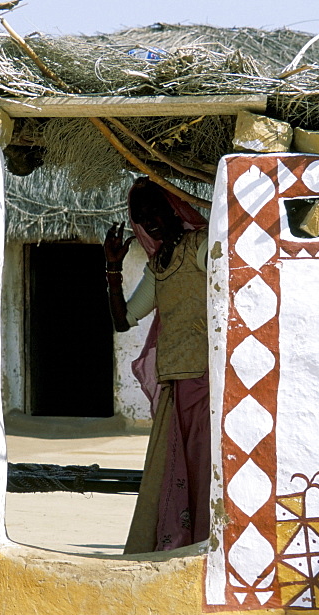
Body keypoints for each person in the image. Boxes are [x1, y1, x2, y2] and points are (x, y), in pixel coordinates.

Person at [104, 177, 210, 554]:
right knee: (171, 473)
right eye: (141, 217)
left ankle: (203, 545)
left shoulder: (202, 248)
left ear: (173, 210)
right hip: (174, 384)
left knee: (203, 469)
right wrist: (112, 268)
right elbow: (123, 319)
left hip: (206, 381)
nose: (150, 222)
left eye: (155, 212)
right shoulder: (158, 266)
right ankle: (175, 547)